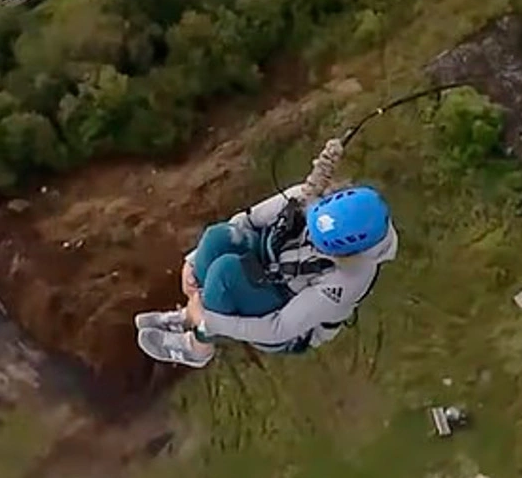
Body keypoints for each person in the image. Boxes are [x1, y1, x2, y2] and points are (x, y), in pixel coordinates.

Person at [135, 139, 398, 367]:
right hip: (273, 263)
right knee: (218, 238)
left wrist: (210, 321)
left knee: (226, 274)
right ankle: (190, 313)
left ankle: (198, 346)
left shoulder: (348, 280)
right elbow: (246, 222)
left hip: (286, 323)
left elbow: (278, 328)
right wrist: (192, 262)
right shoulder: (312, 199)